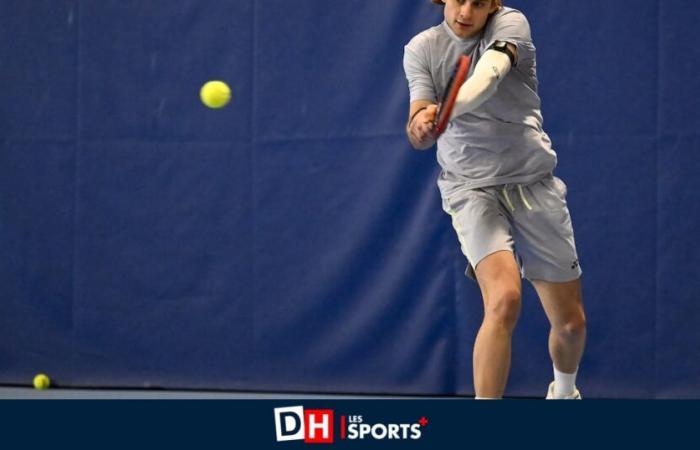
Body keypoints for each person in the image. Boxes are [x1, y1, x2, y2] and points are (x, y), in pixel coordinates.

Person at [403, 0, 587, 399]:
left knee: (571, 325)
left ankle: (564, 392)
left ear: (494, 5)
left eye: (479, 3)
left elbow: (488, 75)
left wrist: (450, 109)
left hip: (533, 182)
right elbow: (417, 113)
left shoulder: (511, 23)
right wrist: (420, 125)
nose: (466, 11)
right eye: (459, 0)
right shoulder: (421, 47)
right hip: (471, 188)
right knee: (503, 299)